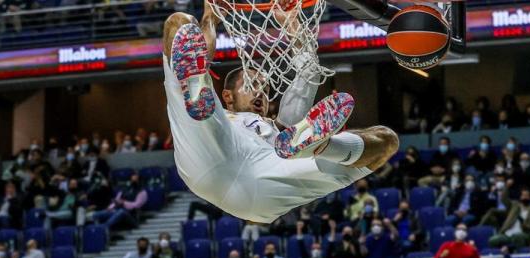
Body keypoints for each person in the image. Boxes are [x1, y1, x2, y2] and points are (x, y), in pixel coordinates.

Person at [161, 6, 397, 225]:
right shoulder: (218, 115)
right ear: (228, 96)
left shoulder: (279, 127)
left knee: (387, 140)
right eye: (252, 83)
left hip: (270, 170)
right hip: (214, 151)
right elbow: (189, 40)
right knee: (180, 24)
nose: (261, 92)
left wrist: (293, 26)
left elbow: (309, 73)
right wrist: (210, 17)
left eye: (265, 88)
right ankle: (195, 81)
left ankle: (321, 147)